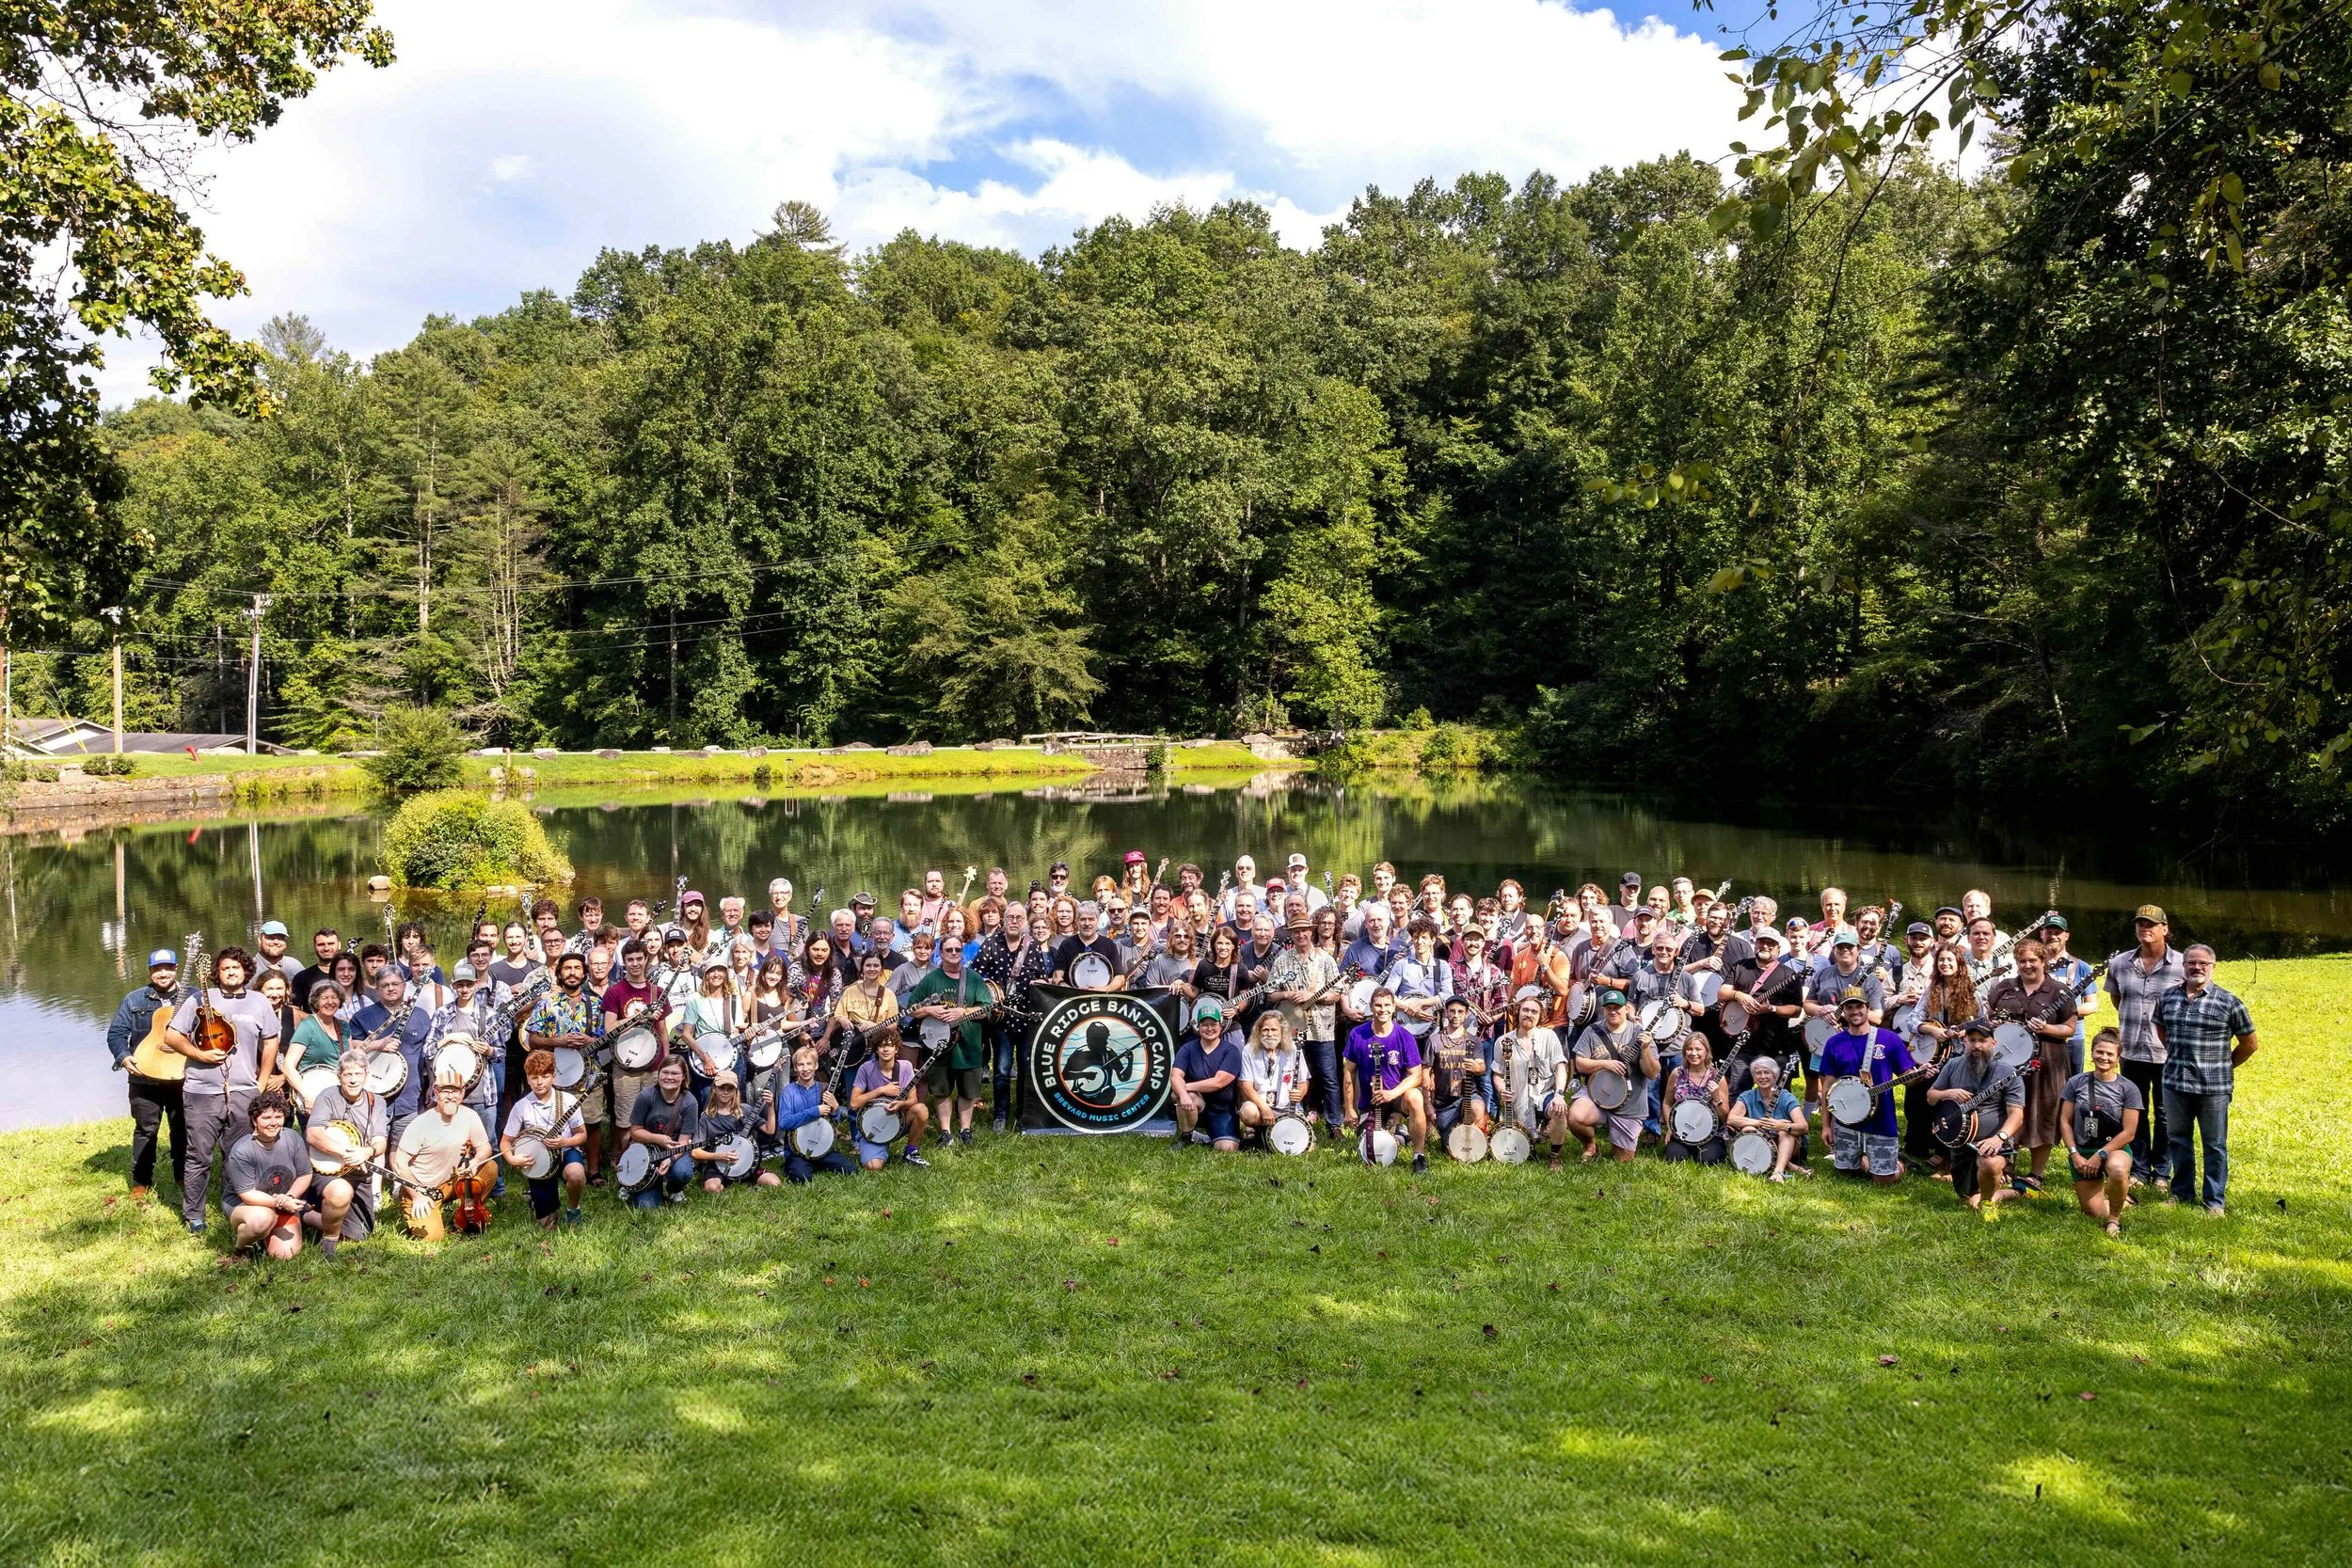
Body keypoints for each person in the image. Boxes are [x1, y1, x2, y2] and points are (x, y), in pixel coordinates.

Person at [164, 945, 280, 1238]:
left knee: (238, 1154)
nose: (231, 972)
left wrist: (262, 1080)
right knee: (199, 1155)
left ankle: (235, 1206)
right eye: (226, 968)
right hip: (202, 1091)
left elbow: (271, 1040)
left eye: (237, 968)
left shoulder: (259, 1002)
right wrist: (199, 1055)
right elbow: (171, 1035)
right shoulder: (199, 999)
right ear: (216, 973)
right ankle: (194, 1215)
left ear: (246, 972)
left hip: (244, 1091)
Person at [2152, 943, 2258, 1216]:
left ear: (2213, 967)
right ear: (2183, 966)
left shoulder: (2228, 1001)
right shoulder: (2167, 998)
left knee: (2214, 1145)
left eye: (2203, 964)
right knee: (2178, 1139)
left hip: (2214, 1088)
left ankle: (2214, 1201)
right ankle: (2182, 1193)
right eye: (2191, 963)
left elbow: (2250, 1043)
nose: (2196, 968)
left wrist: (2225, 1065)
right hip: (2175, 1083)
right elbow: (2161, 1030)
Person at [1984, 939, 2079, 1193]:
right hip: (2007, 1061)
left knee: (2043, 1111)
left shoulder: (2058, 990)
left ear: (2043, 962)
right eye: (2022, 961)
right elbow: (1989, 1015)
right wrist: (1994, 1027)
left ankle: (2036, 1173)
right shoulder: (2005, 987)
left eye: (2032, 961)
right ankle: (2007, 1166)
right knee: (2008, 1109)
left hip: (2047, 1061)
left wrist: (2047, 1028)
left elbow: (2069, 1028)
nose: (2027, 966)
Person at [2105, 905, 2184, 1187]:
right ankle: (2138, 1168)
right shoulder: (2121, 963)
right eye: (2140, 924)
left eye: (2151, 924)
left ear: (2165, 928)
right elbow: (2117, 999)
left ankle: (2162, 1170)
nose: (2144, 929)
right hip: (2131, 1050)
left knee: (2165, 1114)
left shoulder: (2182, 964)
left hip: (2166, 1052)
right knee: (2134, 1111)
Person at [106, 947, 185, 1201]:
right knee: (146, 1129)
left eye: (168, 968)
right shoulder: (133, 999)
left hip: (182, 1075)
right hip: (144, 1076)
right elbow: (116, 1034)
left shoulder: (192, 996)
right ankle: (141, 1182)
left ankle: (183, 1176)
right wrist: (124, 1057)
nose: (163, 973)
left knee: (182, 1127)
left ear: (176, 969)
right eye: (157, 969)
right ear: (150, 971)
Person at [1818, 988, 1917, 1185]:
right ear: (1843, 1012)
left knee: (1884, 1182)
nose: (1855, 1011)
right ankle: (1866, 1160)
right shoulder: (1834, 1043)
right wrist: (1826, 1126)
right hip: (1846, 1120)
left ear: (1867, 1008)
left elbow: (1909, 1078)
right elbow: (1828, 1086)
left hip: (1881, 1121)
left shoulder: (1889, 1039)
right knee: (1846, 1176)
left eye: (1859, 1006)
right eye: (1849, 1007)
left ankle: (1898, 1163)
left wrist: (1920, 1075)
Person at [1928, 1021, 2026, 1215]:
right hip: (1960, 1142)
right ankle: (2014, 1190)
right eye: (1972, 1040)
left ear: (1994, 1044)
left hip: (1993, 1143)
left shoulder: (2007, 1073)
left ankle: (1990, 1201)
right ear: (1965, 1042)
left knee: (1989, 1165)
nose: (1977, 1046)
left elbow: (2017, 1114)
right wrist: (1949, 1093)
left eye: (1982, 1041)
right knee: (1968, 1198)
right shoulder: (1953, 1065)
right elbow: (1931, 1097)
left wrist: (1999, 1138)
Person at [906, 941, 997, 1147]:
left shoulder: (973, 978)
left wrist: (963, 1012)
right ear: (941, 953)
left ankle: (965, 1129)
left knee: (968, 1090)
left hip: (969, 1044)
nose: (954, 953)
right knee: (942, 1090)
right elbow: (912, 1008)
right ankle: (945, 1132)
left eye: (957, 950)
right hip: (939, 1045)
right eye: (949, 950)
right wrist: (930, 1010)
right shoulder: (931, 980)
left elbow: (986, 1009)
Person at [391, 1067, 497, 1231]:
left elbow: (485, 1148)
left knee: (490, 1167)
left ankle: (467, 1213)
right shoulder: (421, 1123)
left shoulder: (470, 1116)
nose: (450, 1096)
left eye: (455, 1091)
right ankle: (413, 1205)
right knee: (432, 1237)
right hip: (422, 1188)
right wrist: (416, 1195)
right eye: (445, 1091)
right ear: (435, 1092)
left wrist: (475, 1162)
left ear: (462, 1093)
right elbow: (399, 1164)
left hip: (452, 1181)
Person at [302, 1050, 384, 1257]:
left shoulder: (377, 1102)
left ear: (367, 1075)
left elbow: (380, 1142)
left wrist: (367, 1151)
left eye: (358, 1074)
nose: (354, 1080)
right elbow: (313, 1134)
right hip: (327, 1170)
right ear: (340, 1077)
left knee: (359, 1234)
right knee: (340, 1192)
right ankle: (328, 1245)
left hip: (360, 1172)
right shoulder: (328, 1096)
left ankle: (307, 1215)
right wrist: (346, 1152)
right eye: (348, 1074)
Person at [2063, 1028, 2141, 1236]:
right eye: (2099, 1052)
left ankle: (2114, 1219)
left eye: (2110, 1054)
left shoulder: (2128, 1088)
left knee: (2117, 1169)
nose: (2104, 1057)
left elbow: (2129, 1132)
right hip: (2082, 1150)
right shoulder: (2076, 1082)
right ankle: (2124, 1199)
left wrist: (2101, 1155)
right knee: (2093, 1212)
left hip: (2113, 1149)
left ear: (2117, 1058)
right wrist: (2075, 1154)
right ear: (2092, 1052)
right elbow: (2064, 1121)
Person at [500, 1048, 587, 1229]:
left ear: (554, 1077)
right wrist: (511, 1158)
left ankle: (573, 1209)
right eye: (534, 1077)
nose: (539, 1082)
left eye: (545, 1076)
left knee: (576, 1174)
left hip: (565, 1153)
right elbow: (506, 1141)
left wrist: (565, 1142)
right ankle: (536, 1201)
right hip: (539, 1162)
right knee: (548, 1225)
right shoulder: (521, 1107)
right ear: (528, 1079)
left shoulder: (568, 1100)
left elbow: (582, 1135)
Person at [1568, 989, 1658, 1164]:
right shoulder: (1592, 1031)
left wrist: (1646, 1049)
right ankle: (1590, 1145)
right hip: (1598, 1094)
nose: (1613, 1011)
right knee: (1575, 1116)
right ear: (1603, 1010)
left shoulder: (1639, 1033)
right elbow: (1579, 1064)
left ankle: (1618, 1138)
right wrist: (1604, 1064)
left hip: (1630, 1103)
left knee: (1623, 1161)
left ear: (1626, 1009)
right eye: (1609, 1008)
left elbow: (1653, 1073)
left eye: (1617, 1007)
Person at [1343, 989, 1429, 1172]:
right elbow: (1349, 1072)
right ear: (1371, 1007)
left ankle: (1419, 1157)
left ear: (1394, 1008)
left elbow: (1417, 1075)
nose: (1383, 1010)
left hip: (1396, 1097)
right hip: (1370, 1101)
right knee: (1370, 1153)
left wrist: (1392, 1093)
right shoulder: (1357, 1034)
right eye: (1378, 1005)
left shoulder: (1405, 1036)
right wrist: (1349, 1108)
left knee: (1415, 1096)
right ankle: (1400, 1137)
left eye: (1387, 1005)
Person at [220, 1090, 310, 1261]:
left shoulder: (292, 1138)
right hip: (245, 1204)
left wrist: (289, 1197)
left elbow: (305, 1174)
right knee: (262, 1219)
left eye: (278, 1117)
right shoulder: (242, 1150)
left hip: (284, 1201)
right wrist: (280, 1202)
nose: (273, 1123)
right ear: (254, 1121)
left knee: (284, 1255)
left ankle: (264, 1237)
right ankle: (241, 1251)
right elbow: (247, 1193)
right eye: (266, 1118)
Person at [1499, 993, 1570, 1168]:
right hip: (1517, 1101)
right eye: (1525, 1010)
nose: (1529, 1014)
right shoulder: (1503, 1041)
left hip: (1543, 1095)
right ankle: (1532, 1136)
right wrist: (1502, 1090)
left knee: (1559, 1111)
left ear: (1540, 1016)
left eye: (1534, 1011)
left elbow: (1560, 1066)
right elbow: (1497, 1073)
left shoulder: (1549, 1037)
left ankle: (1555, 1155)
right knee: (1521, 1148)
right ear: (1518, 1012)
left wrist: (1559, 1094)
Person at [624, 1057, 701, 1207]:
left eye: (675, 1073)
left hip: (674, 1151)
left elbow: (684, 1142)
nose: (669, 1077)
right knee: (647, 1207)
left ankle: (674, 1189)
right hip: (645, 1151)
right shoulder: (646, 1096)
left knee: (683, 1172)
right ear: (658, 1074)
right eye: (665, 1072)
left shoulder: (690, 1102)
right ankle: (633, 1183)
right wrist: (657, 1139)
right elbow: (635, 1131)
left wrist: (670, 1160)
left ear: (684, 1076)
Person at [771, 1045, 855, 1182]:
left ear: (816, 1066)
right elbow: (784, 1122)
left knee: (850, 1170)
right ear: (795, 1068)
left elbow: (832, 1123)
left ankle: (816, 1162)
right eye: (800, 1065)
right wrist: (815, 1111)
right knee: (801, 1178)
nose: (805, 1069)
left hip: (823, 1146)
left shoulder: (824, 1088)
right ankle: (796, 1165)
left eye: (809, 1064)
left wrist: (835, 1109)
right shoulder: (789, 1091)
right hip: (797, 1149)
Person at [849, 1029, 930, 1170]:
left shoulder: (905, 1067)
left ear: (896, 1048)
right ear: (876, 1049)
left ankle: (911, 1152)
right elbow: (854, 1104)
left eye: (890, 1045)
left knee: (921, 1110)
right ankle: (872, 1149)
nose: (886, 1049)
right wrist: (881, 1090)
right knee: (873, 1167)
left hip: (897, 1120)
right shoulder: (866, 1068)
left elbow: (913, 1100)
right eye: (881, 1045)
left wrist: (901, 1104)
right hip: (873, 1125)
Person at [1172, 997, 1244, 1151]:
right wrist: (1183, 1093)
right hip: (1197, 1103)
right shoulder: (1187, 1048)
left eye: (1213, 1024)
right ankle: (1186, 1137)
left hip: (1223, 1109)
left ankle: (1205, 1137)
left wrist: (1185, 1086)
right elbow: (1175, 1076)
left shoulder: (1231, 1051)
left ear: (1221, 1026)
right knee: (1186, 1095)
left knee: (1227, 1149)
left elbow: (1218, 1082)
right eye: (1204, 1025)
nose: (1209, 1028)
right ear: (1198, 1027)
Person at [690, 1070, 778, 1192]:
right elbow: (695, 1152)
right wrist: (719, 1156)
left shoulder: (746, 1110)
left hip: (747, 1165)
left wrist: (770, 1106)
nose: (726, 1092)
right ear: (714, 1089)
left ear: (735, 1091)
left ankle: (744, 1178)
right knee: (712, 1188)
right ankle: (725, 1182)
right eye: (722, 1088)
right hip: (718, 1165)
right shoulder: (707, 1117)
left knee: (774, 1183)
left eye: (730, 1089)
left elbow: (770, 1130)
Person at [1237, 1010, 1311, 1146]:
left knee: (1307, 1146)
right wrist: (1265, 1108)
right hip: (1261, 1107)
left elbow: (1303, 1081)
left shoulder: (1294, 1049)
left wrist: (1300, 1094)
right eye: (1265, 1030)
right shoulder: (1249, 1050)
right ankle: (1258, 1130)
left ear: (1282, 1031)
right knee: (1248, 1111)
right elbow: (1246, 1087)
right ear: (1259, 1031)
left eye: (1274, 1030)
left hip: (1289, 1108)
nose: (1269, 1034)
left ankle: (1269, 1135)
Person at [1425, 995, 1490, 1149]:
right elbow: (1425, 1074)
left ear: (1466, 1014)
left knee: (1478, 1108)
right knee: (1448, 1146)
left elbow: (1482, 1067)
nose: (1456, 1015)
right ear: (1446, 1013)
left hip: (1466, 1095)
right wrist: (1428, 1104)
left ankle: (1480, 1147)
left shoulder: (1473, 1040)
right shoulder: (1434, 1040)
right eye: (1452, 1011)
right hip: (1443, 1101)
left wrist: (1476, 1066)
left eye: (1460, 1012)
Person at [1728, 1055, 1806, 1181]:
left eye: (1767, 1072)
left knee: (1785, 1133)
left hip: (1787, 1145)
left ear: (1775, 1076)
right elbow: (1731, 1119)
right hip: (1759, 1144)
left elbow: (1804, 1127)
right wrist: (1760, 1123)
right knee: (1748, 1128)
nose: (1762, 1077)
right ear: (1753, 1077)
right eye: (1758, 1073)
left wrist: (1782, 1126)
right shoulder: (1747, 1096)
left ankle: (1778, 1171)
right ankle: (1789, 1166)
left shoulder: (1787, 1097)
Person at [1661, 1034, 1731, 1164]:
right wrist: (1671, 1126)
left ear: (1706, 1051)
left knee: (1707, 1159)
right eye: (1689, 1049)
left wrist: (1716, 1098)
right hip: (1683, 1130)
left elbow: (1725, 1118)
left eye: (1698, 1049)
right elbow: (1666, 1103)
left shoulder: (1717, 1077)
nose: (1693, 1053)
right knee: (1675, 1158)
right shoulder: (1677, 1073)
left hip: (1711, 1134)